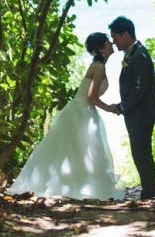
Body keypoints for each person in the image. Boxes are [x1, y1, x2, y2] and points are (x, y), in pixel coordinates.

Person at [8, 32, 125, 201]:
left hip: (83, 110)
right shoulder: (98, 67)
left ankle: (77, 186)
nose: (112, 43)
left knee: (79, 150)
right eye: (108, 42)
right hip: (81, 111)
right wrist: (110, 108)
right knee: (77, 149)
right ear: (100, 49)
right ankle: (69, 187)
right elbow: (91, 97)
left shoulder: (99, 66)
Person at [109, 15, 155, 202]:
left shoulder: (139, 55)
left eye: (115, 37)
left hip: (142, 113)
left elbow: (140, 88)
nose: (113, 42)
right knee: (140, 152)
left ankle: (149, 192)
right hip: (137, 112)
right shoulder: (133, 53)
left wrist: (122, 106)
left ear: (125, 34)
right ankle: (148, 190)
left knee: (141, 152)